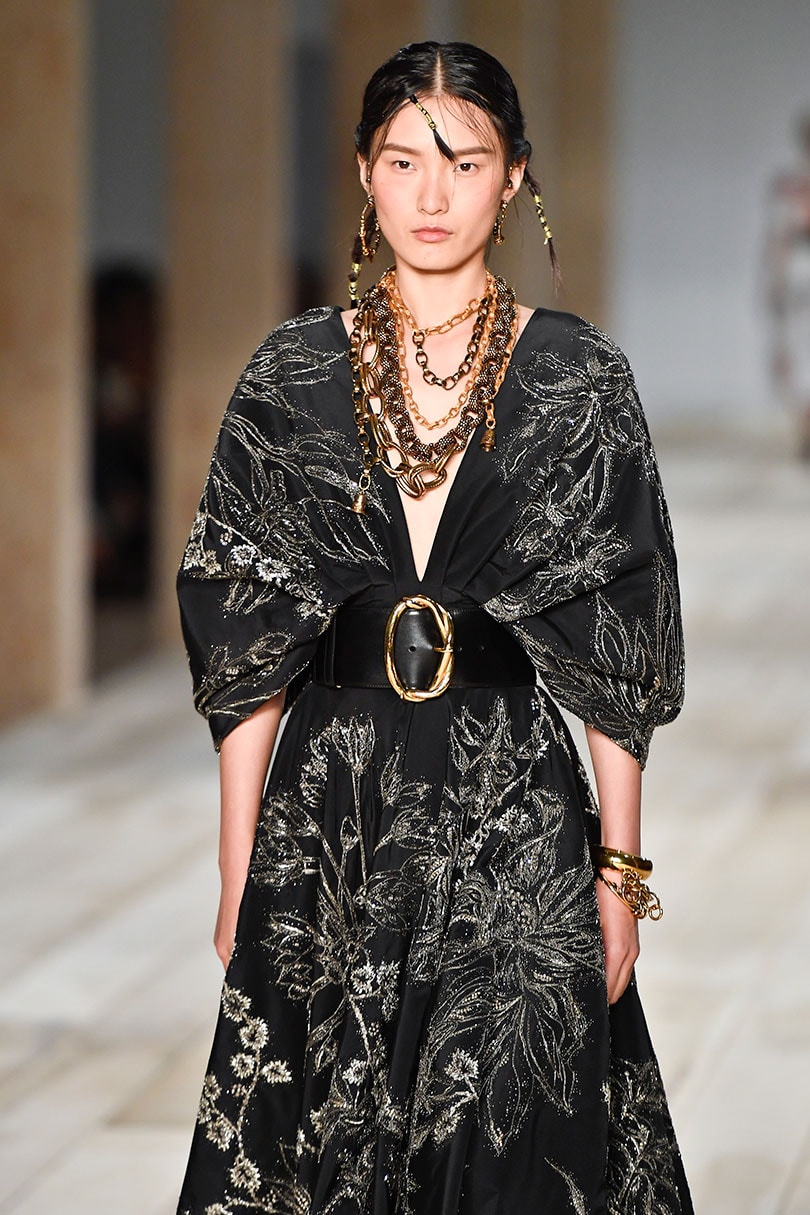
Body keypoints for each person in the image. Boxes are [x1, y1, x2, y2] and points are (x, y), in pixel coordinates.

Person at [175, 40, 692, 1215]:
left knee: (511, 1138)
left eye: (466, 162)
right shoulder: (292, 375)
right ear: (364, 172)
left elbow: (619, 633)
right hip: (333, 810)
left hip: (513, 804)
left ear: (514, 178)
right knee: (320, 1146)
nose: (433, 194)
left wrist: (619, 872)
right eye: (404, 160)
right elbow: (247, 634)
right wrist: (238, 862)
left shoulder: (577, 378)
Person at [767, 111, 810, 459]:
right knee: (797, 353)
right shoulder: (791, 185)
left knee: (798, 352)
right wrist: (776, 282)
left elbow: (778, 240)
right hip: (800, 272)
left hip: (797, 271)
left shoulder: (791, 185)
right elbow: (779, 238)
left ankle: (805, 429)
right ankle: (805, 429)